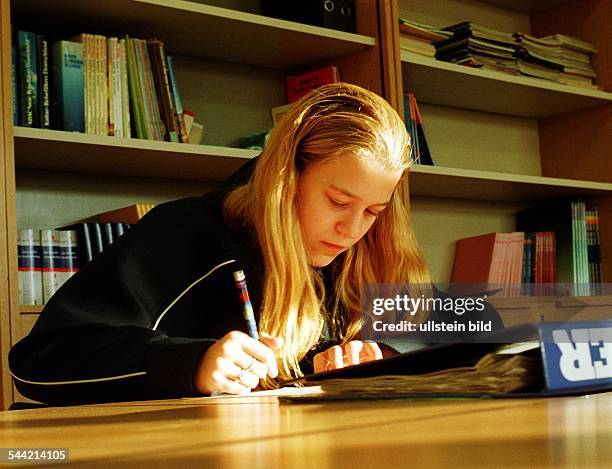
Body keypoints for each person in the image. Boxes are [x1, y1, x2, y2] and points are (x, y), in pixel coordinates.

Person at [9, 83, 498, 406]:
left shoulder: (369, 249)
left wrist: (394, 355)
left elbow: (484, 327)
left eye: (373, 211)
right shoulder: (185, 233)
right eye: (337, 201)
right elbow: (40, 364)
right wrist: (190, 363)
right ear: (287, 178)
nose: (353, 229)